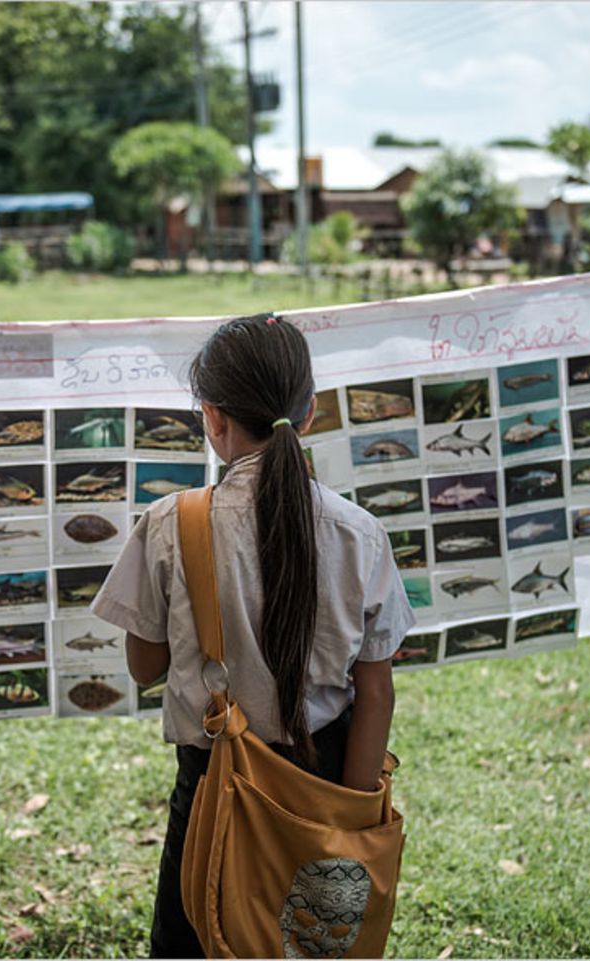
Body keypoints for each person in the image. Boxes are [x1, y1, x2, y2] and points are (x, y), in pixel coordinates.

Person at [91, 313, 415, 958]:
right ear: (311, 412)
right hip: (327, 775)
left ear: (212, 419)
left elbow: (144, 667)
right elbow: (375, 692)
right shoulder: (360, 532)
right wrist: (350, 817)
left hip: (214, 780)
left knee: (198, 937)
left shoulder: (172, 523)